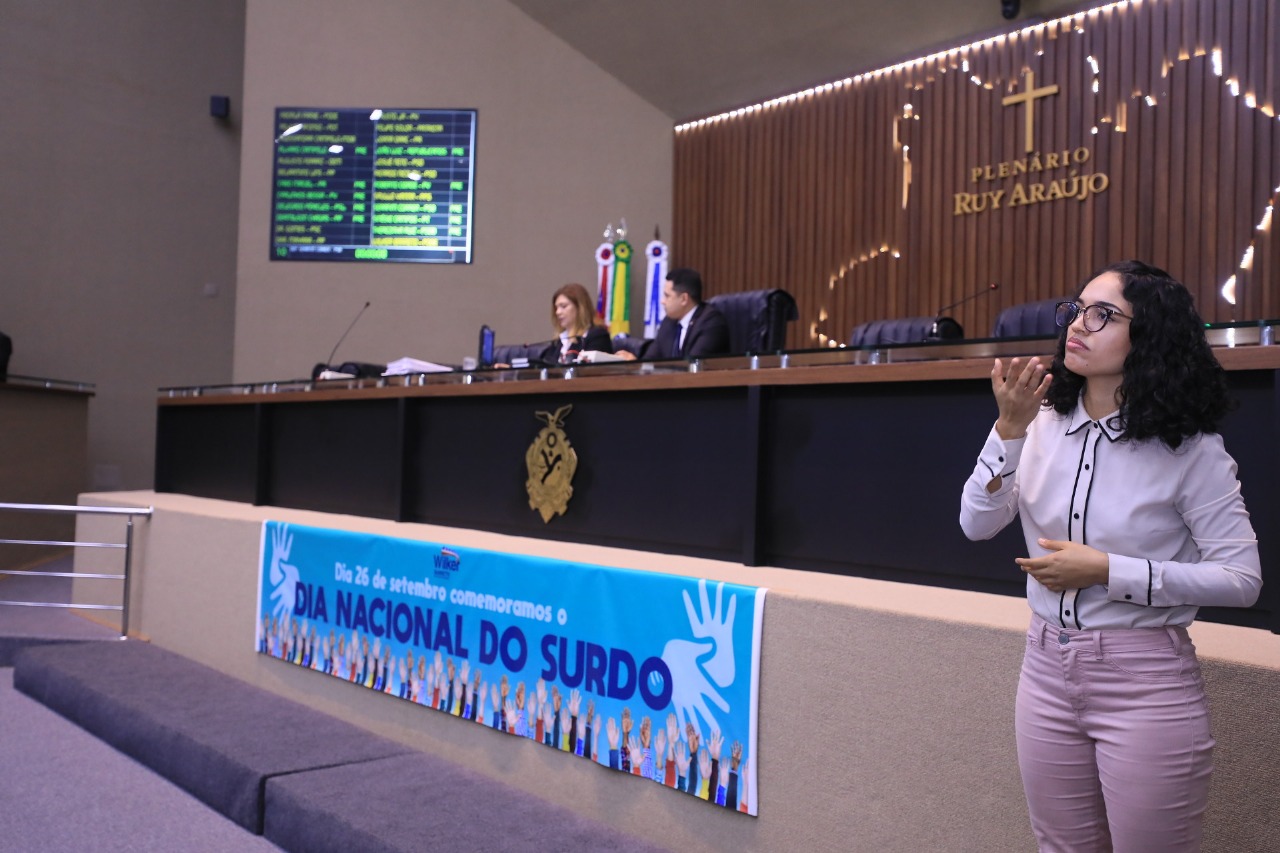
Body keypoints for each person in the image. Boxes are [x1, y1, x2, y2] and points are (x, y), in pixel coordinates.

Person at [959, 260, 1261, 852]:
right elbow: (975, 524)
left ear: (1149, 335)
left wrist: (1107, 571)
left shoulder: (1191, 450)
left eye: (1104, 315)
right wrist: (1008, 431)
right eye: (1077, 309)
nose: (1079, 324)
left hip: (1145, 681)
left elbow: (1241, 578)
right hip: (1044, 668)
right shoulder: (1040, 422)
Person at [617, 268, 729, 361]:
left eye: (667, 296)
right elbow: (651, 360)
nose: (662, 301)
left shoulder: (711, 324)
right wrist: (635, 364)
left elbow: (693, 367)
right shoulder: (668, 322)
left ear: (684, 299)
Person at [538, 283, 612, 364]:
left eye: (563, 306)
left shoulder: (597, 336)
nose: (557, 312)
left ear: (580, 308)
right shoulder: (558, 342)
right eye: (556, 308)